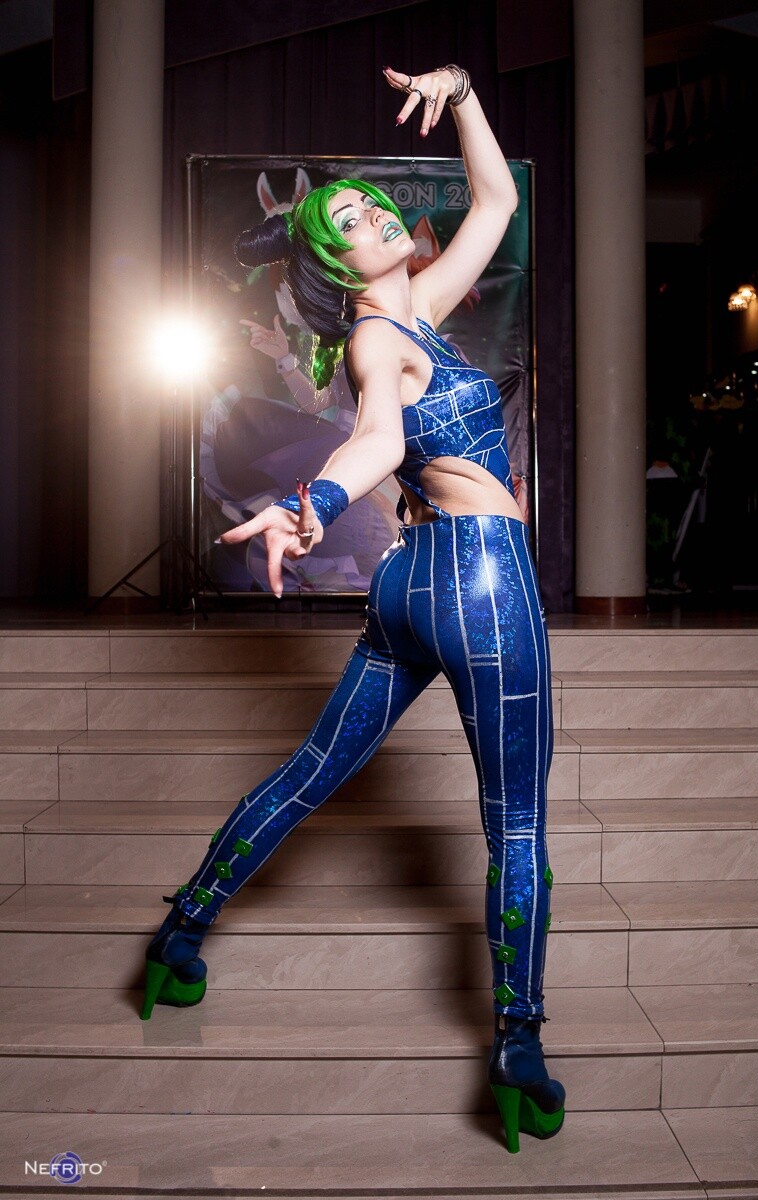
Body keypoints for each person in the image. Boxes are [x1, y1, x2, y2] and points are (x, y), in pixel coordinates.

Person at [140, 63, 565, 1153]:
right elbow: (376, 436)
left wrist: (461, 94)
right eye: (349, 220)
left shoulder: (415, 314)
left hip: (411, 585)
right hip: (480, 581)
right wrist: (315, 504)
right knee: (516, 826)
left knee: (309, 772)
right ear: (334, 263)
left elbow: (496, 203)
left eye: (373, 205)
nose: (375, 215)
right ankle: (517, 1044)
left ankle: (180, 935)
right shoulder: (383, 339)